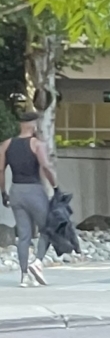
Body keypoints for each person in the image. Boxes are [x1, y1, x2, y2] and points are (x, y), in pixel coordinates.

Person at [4, 108, 55, 285]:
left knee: (24, 235)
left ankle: (24, 276)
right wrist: (54, 185)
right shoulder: (37, 144)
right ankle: (38, 262)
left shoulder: (7, 144)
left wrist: (3, 192)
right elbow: (46, 166)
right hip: (34, 190)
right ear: (33, 125)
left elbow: (0, 171)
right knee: (48, 229)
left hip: (16, 190)